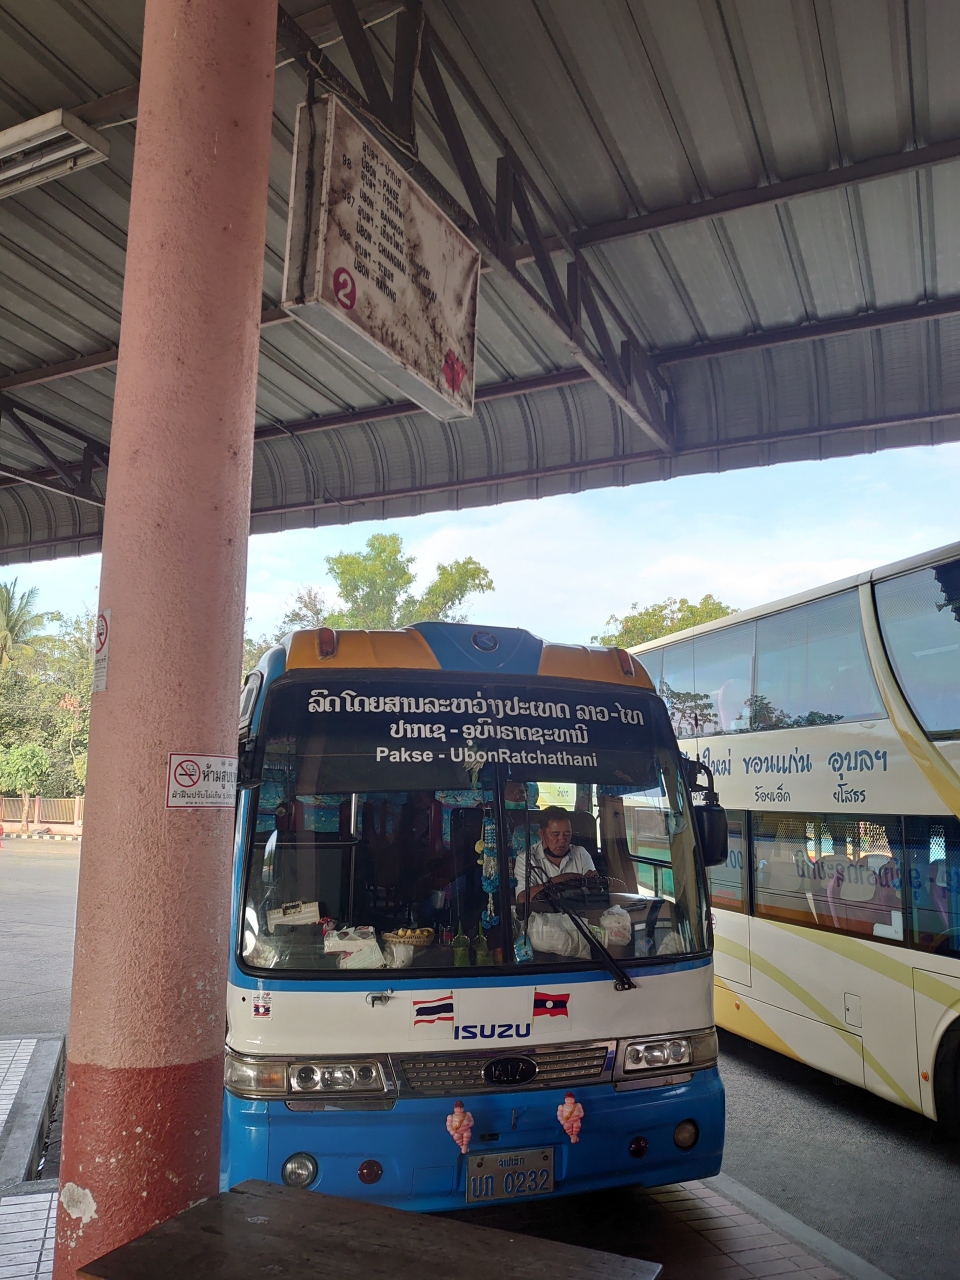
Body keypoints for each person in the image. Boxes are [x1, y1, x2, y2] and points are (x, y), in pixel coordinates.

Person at [514, 806, 597, 905]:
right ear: (541, 834)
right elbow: (522, 899)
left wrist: (595, 884)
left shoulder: (581, 854)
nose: (562, 840)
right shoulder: (526, 860)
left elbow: (594, 893)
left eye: (567, 834)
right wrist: (558, 881)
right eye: (556, 835)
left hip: (579, 912)